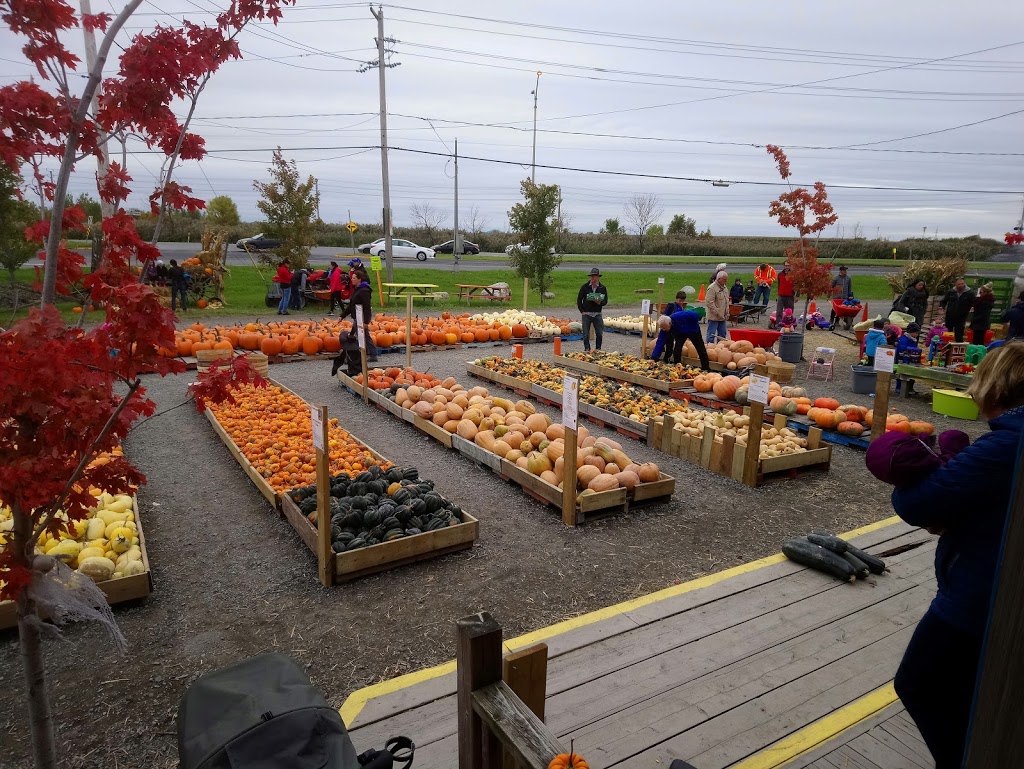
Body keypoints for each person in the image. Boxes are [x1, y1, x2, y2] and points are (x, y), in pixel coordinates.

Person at [879, 344, 1024, 768]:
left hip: (981, 595)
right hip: (997, 589)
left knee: (918, 682)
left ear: (994, 386)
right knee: (975, 686)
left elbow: (919, 504)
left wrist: (909, 471)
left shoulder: (1004, 446)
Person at [332, 267, 378, 375]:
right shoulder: (357, 289)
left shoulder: (364, 291)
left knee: (363, 335)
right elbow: (351, 305)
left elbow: (367, 306)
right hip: (357, 316)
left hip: (362, 317)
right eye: (351, 278)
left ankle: (371, 354)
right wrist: (342, 316)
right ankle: (354, 355)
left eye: (354, 278)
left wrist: (366, 321)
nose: (351, 279)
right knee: (354, 335)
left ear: (359, 279)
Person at [651, 294, 710, 369]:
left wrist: (694, 325)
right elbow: (660, 341)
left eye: (664, 328)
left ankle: (706, 368)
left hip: (692, 330)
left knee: (700, 349)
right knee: (677, 350)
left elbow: (694, 314)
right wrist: (654, 358)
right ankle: (678, 367)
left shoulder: (679, 316)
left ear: (669, 324)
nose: (663, 330)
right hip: (680, 333)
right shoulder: (664, 328)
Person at [577, 267, 608, 352]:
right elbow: (579, 299)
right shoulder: (585, 287)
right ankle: (587, 349)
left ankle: (598, 349)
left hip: (597, 313)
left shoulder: (602, 288)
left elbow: (605, 301)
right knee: (586, 333)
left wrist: (599, 302)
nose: (593, 278)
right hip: (586, 313)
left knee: (599, 333)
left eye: (594, 276)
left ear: (598, 277)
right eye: (592, 276)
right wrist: (582, 311)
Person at [940, 277, 974, 343]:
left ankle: (958, 347)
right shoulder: (951, 292)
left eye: (962, 284)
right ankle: (947, 347)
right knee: (948, 333)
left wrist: (971, 308)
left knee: (959, 334)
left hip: (961, 316)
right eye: (959, 284)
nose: (961, 285)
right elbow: (944, 301)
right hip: (950, 315)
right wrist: (941, 307)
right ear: (955, 284)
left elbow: (974, 302)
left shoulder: (969, 293)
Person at [894, 322, 922, 395]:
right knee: (901, 374)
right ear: (912, 332)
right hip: (903, 359)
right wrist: (911, 350)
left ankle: (909, 388)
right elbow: (901, 349)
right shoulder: (904, 339)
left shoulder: (913, 339)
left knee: (911, 374)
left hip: (911, 359)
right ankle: (899, 388)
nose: (917, 335)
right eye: (916, 333)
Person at [705, 270, 730, 343]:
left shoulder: (725, 288)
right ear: (719, 279)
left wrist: (727, 312)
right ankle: (710, 348)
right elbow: (709, 302)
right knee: (711, 334)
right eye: (725, 279)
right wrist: (717, 312)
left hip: (723, 317)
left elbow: (727, 301)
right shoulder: (712, 288)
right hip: (714, 317)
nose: (726, 281)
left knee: (722, 335)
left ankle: (720, 348)